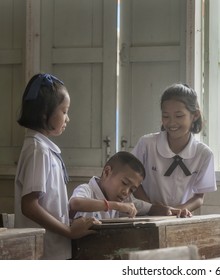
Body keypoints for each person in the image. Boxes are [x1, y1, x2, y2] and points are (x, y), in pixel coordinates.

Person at [14, 73, 99, 260]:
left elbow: (48, 202)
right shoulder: (38, 150)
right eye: (64, 111)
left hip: (52, 250)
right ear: (45, 113)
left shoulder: (42, 148)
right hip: (45, 253)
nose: (67, 119)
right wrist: (69, 231)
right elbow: (29, 205)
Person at [131, 83, 217, 217]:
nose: (171, 123)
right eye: (166, 116)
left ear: (194, 115)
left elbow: (199, 197)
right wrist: (152, 208)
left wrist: (178, 210)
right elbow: (132, 182)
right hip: (145, 216)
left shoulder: (204, 154)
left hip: (179, 219)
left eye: (179, 116)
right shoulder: (147, 144)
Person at [69, 151, 147, 220]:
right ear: (107, 172)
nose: (126, 192)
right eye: (124, 183)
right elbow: (75, 203)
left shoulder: (114, 198)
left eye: (132, 190)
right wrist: (116, 205)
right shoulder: (87, 189)